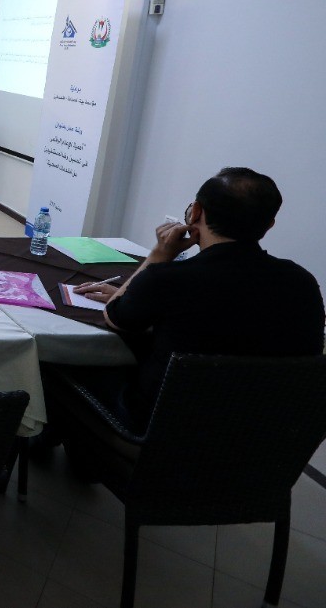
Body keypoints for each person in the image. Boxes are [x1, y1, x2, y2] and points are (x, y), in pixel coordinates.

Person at [41, 167, 325, 464]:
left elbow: (116, 317)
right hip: (260, 442)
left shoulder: (169, 279)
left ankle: (61, 447)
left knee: (60, 364)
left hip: (158, 434)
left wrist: (159, 255)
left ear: (196, 213)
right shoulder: (302, 283)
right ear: (269, 224)